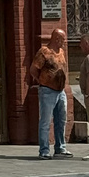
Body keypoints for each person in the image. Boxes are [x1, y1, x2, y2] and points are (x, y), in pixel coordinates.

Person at [30, 27, 72, 159]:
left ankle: (60, 148)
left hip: (61, 91)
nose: (64, 42)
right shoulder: (44, 52)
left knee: (61, 120)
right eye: (63, 39)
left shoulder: (62, 52)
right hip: (47, 91)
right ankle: (44, 150)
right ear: (56, 39)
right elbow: (33, 69)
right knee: (46, 121)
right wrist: (42, 81)